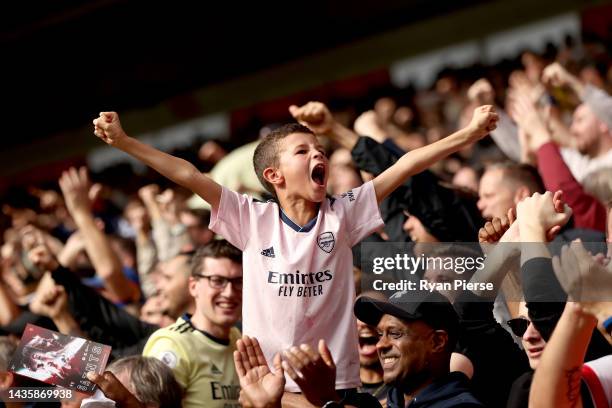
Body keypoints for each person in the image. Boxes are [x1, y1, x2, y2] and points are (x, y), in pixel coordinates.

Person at [93, 101, 498, 393]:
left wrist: (469, 134)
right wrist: (126, 142)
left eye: (319, 149)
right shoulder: (252, 218)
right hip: (270, 384)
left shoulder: (344, 213)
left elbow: (406, 165)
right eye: (302, 151)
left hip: (338, 381)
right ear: (274, 175)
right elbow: (189, 175)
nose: (317, 154)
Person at [142, 240, 242, 408]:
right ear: (194, 286)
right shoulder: (173, 344)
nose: (229, 292)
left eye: (238, 282)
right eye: (217, 281)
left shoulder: (238, 339)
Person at [354, 290, 483, 407]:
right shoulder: (394, 402)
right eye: (380, 334)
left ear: (437, 342)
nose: (380, 344)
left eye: (394, 333)